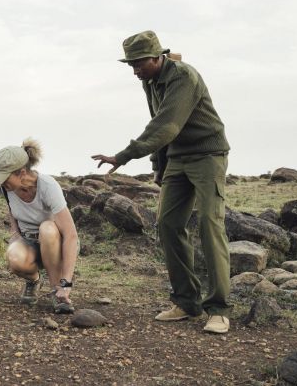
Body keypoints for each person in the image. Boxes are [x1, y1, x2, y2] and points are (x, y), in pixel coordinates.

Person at [91, 30, 232, 334]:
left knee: (210, 223)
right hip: (178, 158)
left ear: (157, 57)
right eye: (131, 64)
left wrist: (123, 156)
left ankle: (218, 309)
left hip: (208, 154)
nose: (134, 70)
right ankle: (186, 302)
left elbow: (167, 124)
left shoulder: (184, 77)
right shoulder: (150, 81)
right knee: (167, 224)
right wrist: (159, 165)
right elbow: (156, 121)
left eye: (139, 63)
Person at [0, 138, 79, 314]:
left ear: (22, 173)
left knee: (47, 228)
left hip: (55, 243)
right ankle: (34, 280)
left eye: (4, 177)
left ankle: (58, 291)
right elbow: (12, 209)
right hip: (30, 242)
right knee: (14, 257)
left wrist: (67, 282)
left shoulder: (48, 187)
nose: (1, 182)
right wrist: (14, 232)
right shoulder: (7, 188)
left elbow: (71, 235)